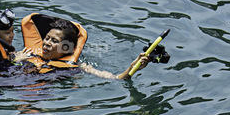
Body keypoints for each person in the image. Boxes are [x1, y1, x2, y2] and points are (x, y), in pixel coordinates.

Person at [17, 13, 149, 80]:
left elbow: (113, 78)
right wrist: (15, 60)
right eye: (46, 38)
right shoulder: (27, 54)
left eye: (54, 41)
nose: (46, 43)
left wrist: (132, 68)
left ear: (66, 47)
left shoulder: (78, 66)